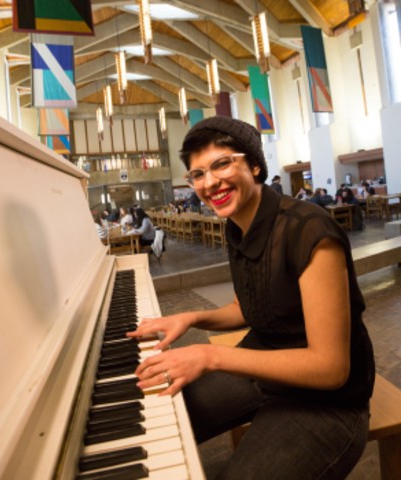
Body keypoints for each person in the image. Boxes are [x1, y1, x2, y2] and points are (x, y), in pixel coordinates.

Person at [127, 116, 375, 480]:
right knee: (153, 418)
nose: (209, 182)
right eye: (198, 174)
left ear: (255, 164)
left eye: (222, 163)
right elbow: (249, 308)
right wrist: (192, 318)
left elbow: (330, 368)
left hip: (328, 402)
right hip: (263, 366)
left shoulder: (309, 230)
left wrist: (211, 355)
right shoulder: (237, 224)